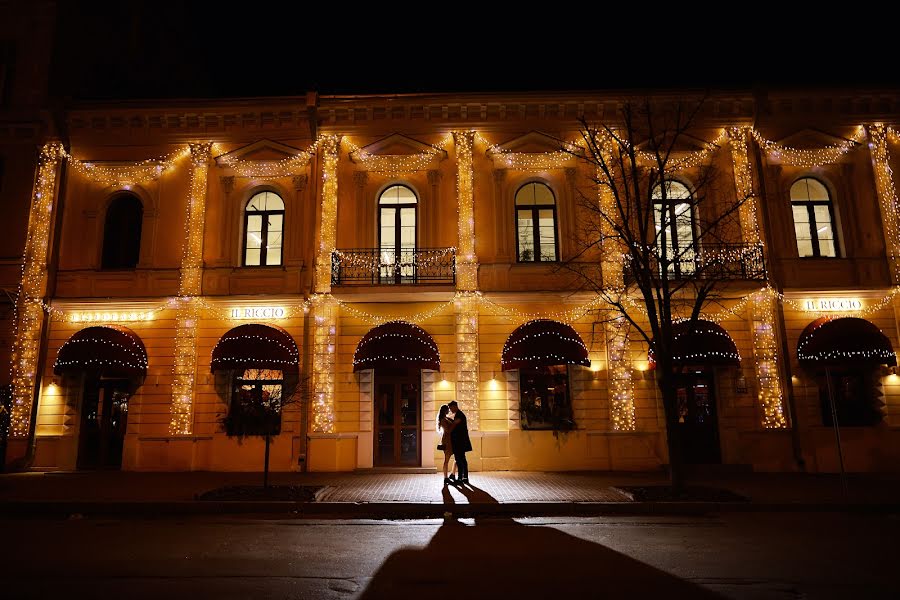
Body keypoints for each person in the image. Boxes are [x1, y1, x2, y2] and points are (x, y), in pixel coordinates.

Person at [447, 400, 472, 485]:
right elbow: (455, 422)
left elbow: (454, 425)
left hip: (459, 442)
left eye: (450, 408)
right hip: (461, 441)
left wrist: (448, 430)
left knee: (459, 459)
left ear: (455, 406)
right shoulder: (459, 415)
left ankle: (460, 478)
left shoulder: (459, 415)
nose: (450, 410)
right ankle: (465, 477)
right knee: (462, 459)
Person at [436, 404, 458, 485]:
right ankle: (446, 477)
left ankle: (452, 474)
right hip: (447, 441)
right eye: (447, 409)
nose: (449, 410)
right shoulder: (443, 420)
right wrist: (454, 424)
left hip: (452, 441)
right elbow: (448, 430)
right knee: (447, 460)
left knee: (457, 458)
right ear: (444, 410)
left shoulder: (446, 418)